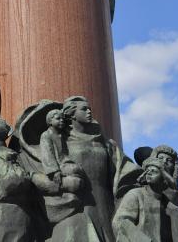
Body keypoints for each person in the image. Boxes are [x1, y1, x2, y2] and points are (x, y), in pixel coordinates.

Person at [49, 96, 141, 241]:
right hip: (77, 204)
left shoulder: (105, 143)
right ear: (71, 113)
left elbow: (124, 169)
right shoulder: (61, 140)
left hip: (105, 203)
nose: (89, 112)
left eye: (90, 109)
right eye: (84, 109)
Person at [112, 157, 178, 241]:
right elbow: (120, 222)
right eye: (148, 171)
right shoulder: (135, 194)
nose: (149, 173)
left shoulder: (171, 207)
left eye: (154, 171)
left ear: (164, 179)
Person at [39, 109, 68, 186]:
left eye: (63, 119)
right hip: (58, 167)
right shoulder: (46, 135)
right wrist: (55, 171)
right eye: (58, 118)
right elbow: (48, 154)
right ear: (50, 121)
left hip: (65, 163)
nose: (62, 120)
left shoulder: (63, 135)